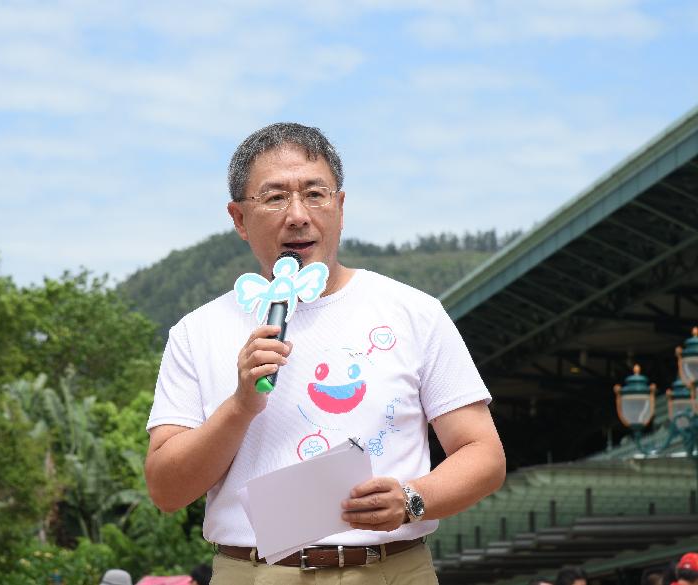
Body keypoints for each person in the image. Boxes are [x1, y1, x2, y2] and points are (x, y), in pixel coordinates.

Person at [145, 122, 506, 584]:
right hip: (251, 572)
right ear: (238, 218)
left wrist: (412, 499)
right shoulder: (197, 332)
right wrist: (240, 406)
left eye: (315, 194)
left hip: (391, 569)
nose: (298, 215)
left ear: (340, 206)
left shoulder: (415, 312)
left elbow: (483, 454)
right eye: (275, 197)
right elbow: (166, 490)